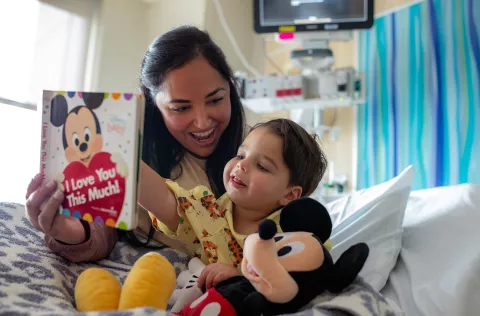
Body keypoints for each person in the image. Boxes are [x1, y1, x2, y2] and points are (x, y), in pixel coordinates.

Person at [25, 25, 245, 266]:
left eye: (215, 99)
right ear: (152, 104)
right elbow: (100, 232)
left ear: (231, 89)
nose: (203, 122)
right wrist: (72, 234)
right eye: (180, 108)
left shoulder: (255, 150)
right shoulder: (127, 154)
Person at [142, 118, 328, 289]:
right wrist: (121, 159)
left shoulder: (292, 237)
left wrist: (239, 276)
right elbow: (164, 199)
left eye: (261, 166)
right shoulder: (208, 212)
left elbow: (305, 280)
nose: (242, 165)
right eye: (240, 155)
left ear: (289, 194)